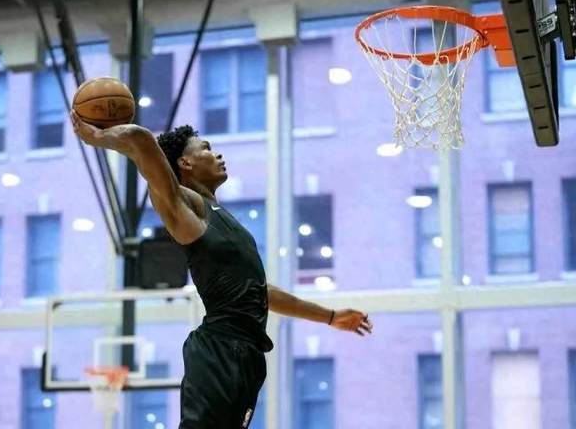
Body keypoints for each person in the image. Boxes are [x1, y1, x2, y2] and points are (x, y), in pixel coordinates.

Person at [71, 112, 373, 428]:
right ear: (185, 163)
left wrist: (330, 316)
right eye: (206, 148)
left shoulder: (222, 218)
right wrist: (97, 137)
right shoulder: (184, 207)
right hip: (220, 349)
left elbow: (261, 292)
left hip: (247, 356)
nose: (217, 154)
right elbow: (141, 139)